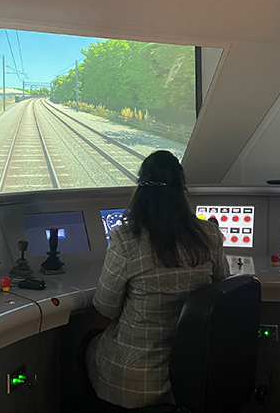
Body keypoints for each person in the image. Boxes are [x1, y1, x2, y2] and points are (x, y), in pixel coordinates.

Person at [86, 150, 230, 409]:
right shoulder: (210, 235)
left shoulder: (125, 240)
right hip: (192, 375)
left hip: (136, 380)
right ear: (181, 193)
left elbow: (105, 307)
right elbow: (222, 288)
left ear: (141, 191)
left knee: (86, 344)